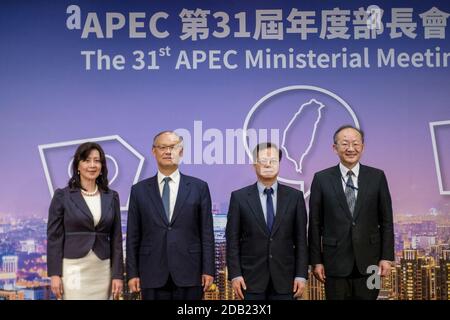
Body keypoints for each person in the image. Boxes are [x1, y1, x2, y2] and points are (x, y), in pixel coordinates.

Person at [308, 125, 394, 300]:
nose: (350, 148)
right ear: (335, 148)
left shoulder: (377, 177)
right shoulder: (321, 179)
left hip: (371, 264)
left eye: (355, 143)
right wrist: (316, 261)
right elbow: (315, 224)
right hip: (334, 263)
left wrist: (386, 257)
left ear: (363, 146)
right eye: (345, 143)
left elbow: (386, 221)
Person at [126, 131, 215, 300]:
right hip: (151, 272)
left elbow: (207, 233)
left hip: (190, 272)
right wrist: (132, 273)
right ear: (154, 151)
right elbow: (132, 236)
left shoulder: (199, 187)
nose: (168, 152)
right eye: (163, 147)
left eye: (173, 147)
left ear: (180, 151)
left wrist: (208, 269)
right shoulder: (139, 190)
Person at [226, 142, 308, 300]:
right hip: (249, 280)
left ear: (280, 164)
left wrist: (301, 275)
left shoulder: (295, 197)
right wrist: (235, 275)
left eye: (274, 160)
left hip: (287, 280)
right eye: (263, 160)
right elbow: (232, 240)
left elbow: (301, 241)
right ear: (254, 164)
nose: (268, 164)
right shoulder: (239, 198)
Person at [47, 142, 124, 300]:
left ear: (102, 166)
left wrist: (117, 275)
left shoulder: (112, 196)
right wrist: (54, 274)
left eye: (97, 161)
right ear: (77, 166)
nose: (92, 165)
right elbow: (54, 237)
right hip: (73, 269)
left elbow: (116, 239)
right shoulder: (63, 196)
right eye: (87, 160)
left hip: (102, 269)